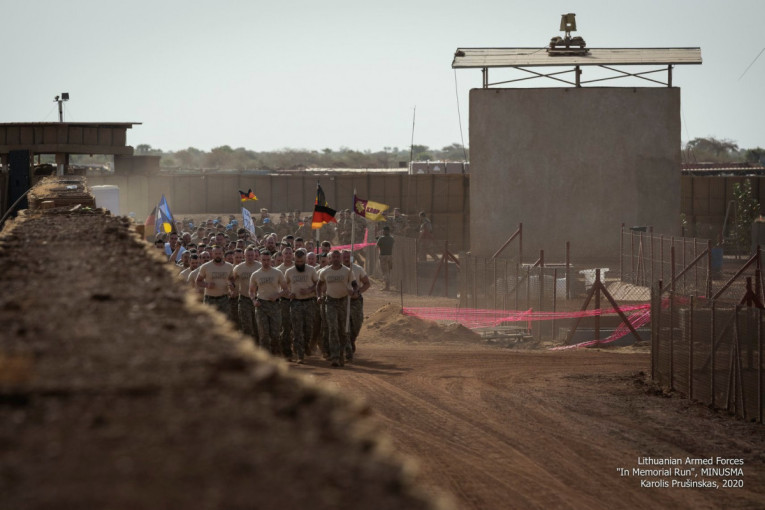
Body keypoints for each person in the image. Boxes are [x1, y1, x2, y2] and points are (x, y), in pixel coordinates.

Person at [317, 250, 353, 367]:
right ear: (330, 259)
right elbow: (318, 285)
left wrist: (353, 291)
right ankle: (335, 356)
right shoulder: (325, 271)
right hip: (330, 302)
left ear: (341, 258)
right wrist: (319, 296)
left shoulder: (347, 271)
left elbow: (354, 284)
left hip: (343, 302)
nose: (336, 258)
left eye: (338, 256)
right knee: (332, 328)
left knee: (342, 330)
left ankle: (341, 354)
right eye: (334, 256)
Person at [249, 250, 287, 353]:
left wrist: (277, 295)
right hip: (261, 305)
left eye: (268, 260)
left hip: (274, 305)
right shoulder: (255, 274)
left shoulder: (278, 273)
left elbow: (286, 289)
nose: (266, 262)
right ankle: (265, 358)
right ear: (260, 260)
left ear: (271, 260)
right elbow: (251, 291)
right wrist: (253, 300)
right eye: (264, 260)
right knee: (263, 334)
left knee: (275, 334)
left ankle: (276, 356)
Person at [285, 248, 319, 363]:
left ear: (305, 260)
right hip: (296, 303)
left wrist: (309, 290)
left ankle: (306, 345)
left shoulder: (311, 270)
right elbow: (284, 287)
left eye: (302, 262)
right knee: (297, 329)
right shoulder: (289, 272)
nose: (299, 264)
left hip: (309, 302)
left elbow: (317, 284)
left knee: (308, 328)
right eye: (297, 262)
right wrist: (289, 294)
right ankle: (300, 355)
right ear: (294, 260)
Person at [342, 250, 370, 361]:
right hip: (342, 300)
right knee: (345, 325)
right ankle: (347, 348)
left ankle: (352, 339)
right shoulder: (338, 270)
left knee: (357, 323)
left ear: (351, 257)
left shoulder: (358, 269)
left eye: (348, 256)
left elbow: (367, 283)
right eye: (344, 256)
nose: (346, 258)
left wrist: (358, 292)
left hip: (355, 300)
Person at [233, 246, 261, 343]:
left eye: (252, 255)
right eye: (248, 255)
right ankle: (248, 347)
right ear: (244, 256)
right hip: (244, 299)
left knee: (257, 324)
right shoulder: (238, 268)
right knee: (246, 325)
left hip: (258, 299)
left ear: (255, 255)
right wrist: (232, 290)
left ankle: (258, 346)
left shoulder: (259, 266)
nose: (250, 257)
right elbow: (231, 280)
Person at [196, 245, 235, 315]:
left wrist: (232, 285)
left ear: (223, 254)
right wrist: (207, 285)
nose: (218, 255)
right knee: (209, 322)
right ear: (212, 254)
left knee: (224, 321)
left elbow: (232, 278)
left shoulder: (229, 266)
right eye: (216, 254)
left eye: (219, 253)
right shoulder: (205, 266)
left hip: (224, 299)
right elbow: (198, 281)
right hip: (209, 299)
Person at [376, 225, 395, 290]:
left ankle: (387, 286)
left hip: (383, 256)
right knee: (389, 271)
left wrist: (378, 239)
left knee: (385, 272)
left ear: (384, 231)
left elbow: (376, 246)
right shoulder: (392, 238)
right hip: (390, 256)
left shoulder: (381, 238)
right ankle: (388, 285)